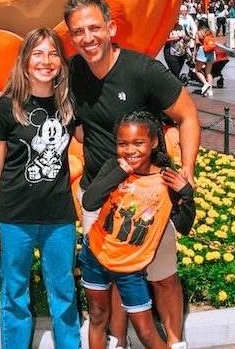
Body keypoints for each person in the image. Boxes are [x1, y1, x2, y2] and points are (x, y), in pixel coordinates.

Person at [0, 0, 200, 349]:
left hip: (149, 195)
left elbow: (188, 115)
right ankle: (118, 341)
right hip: (98, 195)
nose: (87, 38)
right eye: (78, 32)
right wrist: (1, 99)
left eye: (94, 28)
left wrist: (188, 172)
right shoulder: (73, 73)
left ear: (111, 28)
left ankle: (175, 342)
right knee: (112, 277)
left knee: (162, 276)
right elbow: (36, 83)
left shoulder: (143, 71)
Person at [0, 28, 80, 349]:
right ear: (24, 61)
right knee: (14, 295)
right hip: (14, 219)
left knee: (64, 294)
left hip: (59, 218)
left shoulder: (69, 105)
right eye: (37, 53)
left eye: (52, 53)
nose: (45, 60)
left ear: (61, 63)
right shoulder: (6, 107)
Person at [80, 111, 195, 349]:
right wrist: (121, 172)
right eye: (123, 144)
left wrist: (186, 196)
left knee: (146, 332)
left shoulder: (165, 179)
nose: (130, 150)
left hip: (130, 267)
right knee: (98, 316)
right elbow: (90, 201)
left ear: (154, 142)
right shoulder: (114, 167)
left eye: (138, 143)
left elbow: (183, 226)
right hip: (96, 255)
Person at [194, 25, 215, 97]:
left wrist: (194, 55)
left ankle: (206, 83)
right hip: (211, 52)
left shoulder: (199, 32)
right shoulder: (211, 32)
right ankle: (210, 91)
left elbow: (196, 43)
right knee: (208, 72)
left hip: (202, 51)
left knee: (197, 70)